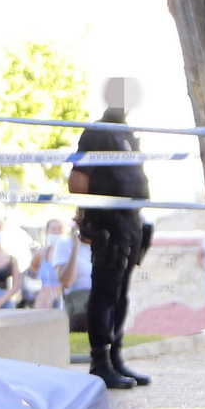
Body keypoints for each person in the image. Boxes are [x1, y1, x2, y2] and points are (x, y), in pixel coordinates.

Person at [70, 79, 153, 388]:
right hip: (108, 221)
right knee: (104, 292)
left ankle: (116, 357)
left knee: (120, 295)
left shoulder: (128, 134)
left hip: (131, 221)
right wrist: (84, 218)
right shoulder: (98, 131)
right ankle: (99, 361)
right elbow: (78, 177)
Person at [29, 219, 80, 310]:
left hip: (64, 298)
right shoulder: (41, 253)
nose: (57, 232)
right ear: (47, 231)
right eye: (53, 229)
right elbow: (33, 266)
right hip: (44, 299)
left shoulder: (70, 252)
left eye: (60, 229)